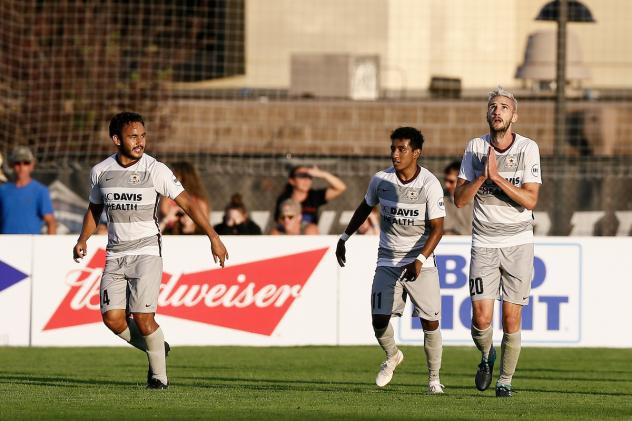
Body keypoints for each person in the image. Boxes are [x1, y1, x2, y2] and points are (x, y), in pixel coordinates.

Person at [72, 112, 228, 389]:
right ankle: (157, 347)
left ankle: (159, 377)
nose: (140, 141)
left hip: (146, 252)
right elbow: (94, 209)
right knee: (112, 319)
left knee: (144, 319)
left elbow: (189, 205)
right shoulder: (100, 171)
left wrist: (213, 237)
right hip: (114, 253)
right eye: (133, 136)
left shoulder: (156, 169)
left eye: (143, 136)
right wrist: (83, 238)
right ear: (116, 139)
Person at [336, 127, 446, 394]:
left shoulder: (429, 184)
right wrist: (344, 236)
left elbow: (438, 228)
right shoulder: (380, 180)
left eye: (402, 149)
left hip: (421, 262)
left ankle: (433, 379)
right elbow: (365, 207)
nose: (395, 155)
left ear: (416, 153)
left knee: (430, 322)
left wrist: (419, 259)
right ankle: (393, 355)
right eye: (393, 149)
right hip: (387, 259)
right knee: (379, 320)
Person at [454, 87, 542, 398]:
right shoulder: (475, 147)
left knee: (511, 316)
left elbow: (531, 199)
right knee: (480, 318)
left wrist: (498, 178)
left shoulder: (528, 148)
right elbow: (460, 201)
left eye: (504, 107)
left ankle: (504, 381)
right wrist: (481, 177)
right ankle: (486, 356)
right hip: (484, 243)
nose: (498, 111)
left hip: (519, 243)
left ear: (514, 116)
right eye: (493, 106)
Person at [0, 146, 57, 234]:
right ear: (12, 165)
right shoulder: (2, 190)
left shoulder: (40, 191)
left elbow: (51, 222)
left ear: (32, 165)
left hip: (30, 245)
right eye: (17, 163)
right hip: (5, 244)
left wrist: (48, 246)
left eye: (26, 163)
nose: (22, 167)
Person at [274, 165, 347, 228]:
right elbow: (279, 221)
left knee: (312, 228)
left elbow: (341, 187)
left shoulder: (314, 196)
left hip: (309, 235)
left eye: (309, 176)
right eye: (301, 176)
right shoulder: (284, 199)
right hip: (290, 233)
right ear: (292, 181)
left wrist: (323, 174)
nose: (306, 180)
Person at [159, 161, 210, 234]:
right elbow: (164, 216)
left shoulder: (199, 201)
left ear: (183, 177)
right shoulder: (167, 197)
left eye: (173, 175)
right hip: (170, 233)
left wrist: (190, 216)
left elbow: (205, 224)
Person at [443, 160, 473, 235]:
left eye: (451, 181)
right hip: (446, 244)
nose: (447, 185)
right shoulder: (441, 199)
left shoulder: (476, 201)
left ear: (461, 181)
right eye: (445, 180)